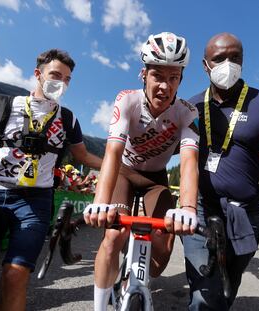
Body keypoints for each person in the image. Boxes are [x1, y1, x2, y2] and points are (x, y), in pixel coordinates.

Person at [0, 48, 102, 310]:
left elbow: (83, 156)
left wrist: (119, 165)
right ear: (38, 74)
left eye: (67, 79)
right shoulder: (2, 103)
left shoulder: (68, 118)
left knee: (16, 272)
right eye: (55, 75)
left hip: (36, 200)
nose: (61, 83)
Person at [184, 32, 259, 310]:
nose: (228, 63)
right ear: (205, 65)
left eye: (234, 57)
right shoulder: (191, 108)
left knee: (228, 284)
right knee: (203, 292)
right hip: (203, 207)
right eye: (219, 58)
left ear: (243, 60)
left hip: (245, 212)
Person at [83, 32, 200, 311]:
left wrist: (188, 208)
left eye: (174, 78)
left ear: (181, 81)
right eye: (158, 75)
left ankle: (133, 274)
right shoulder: (127, 100)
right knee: (113, 237)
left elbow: (188, 161)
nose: (165, 86)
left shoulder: (187, 112)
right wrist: (99, 204)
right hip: (125, 171)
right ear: (143, 75)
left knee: (159, 257)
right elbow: (112, 153)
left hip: (155, 180)